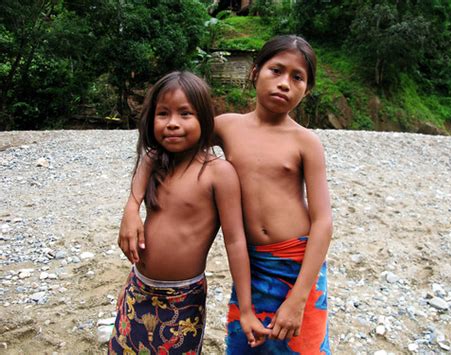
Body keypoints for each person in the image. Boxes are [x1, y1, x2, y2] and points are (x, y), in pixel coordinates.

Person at [120, 35, 333, 354]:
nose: (284, 83)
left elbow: (323, 222)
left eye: (297, 77)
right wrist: (133, 205)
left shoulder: (306, 142)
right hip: (251, 264)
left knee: (301, 343)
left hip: (297, 262)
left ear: (307, 89)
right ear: (254, 72)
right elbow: (157, 151)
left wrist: (300, 295)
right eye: (276, 70)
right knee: (249, 341)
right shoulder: (227, 127)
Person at [110, 71, 268, 354]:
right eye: (163, 114)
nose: (172, 124)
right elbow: (143, 165)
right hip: (138, 287)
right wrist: (131, 208)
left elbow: (235, 242)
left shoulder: (218, 174)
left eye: (185, 114)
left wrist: (246, 309)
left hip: (183, 298)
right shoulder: (155, 160)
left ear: (205, 119)